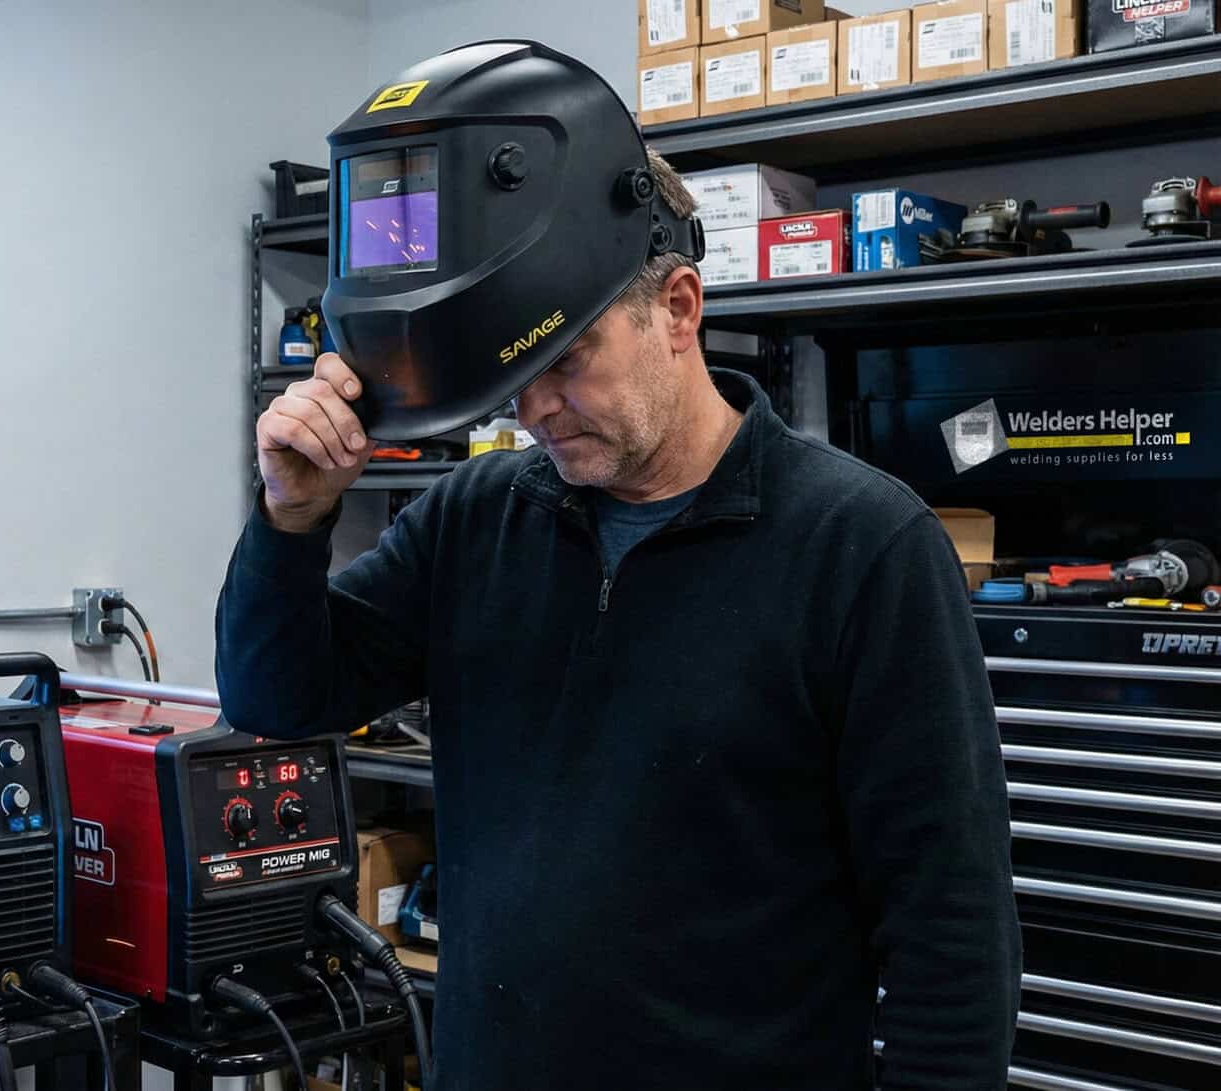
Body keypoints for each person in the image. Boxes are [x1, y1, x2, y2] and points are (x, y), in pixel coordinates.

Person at [214, 147, 1022, 1088]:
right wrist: (292, 518)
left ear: (678, 309)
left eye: (565, 358)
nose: (535, 409)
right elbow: (276, 696)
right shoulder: (475, 518)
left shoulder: (863, 546)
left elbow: (951, 934)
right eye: (514, 370)